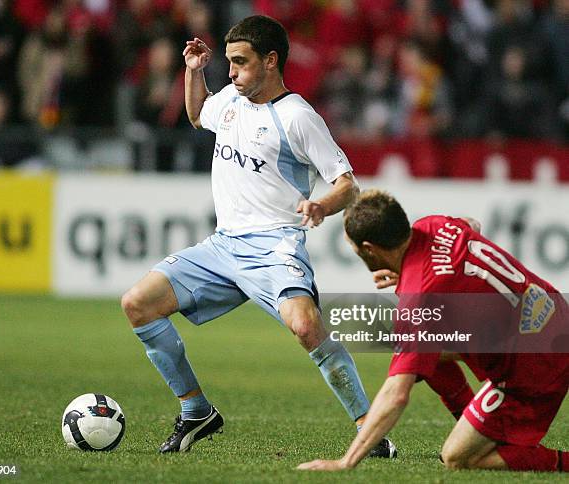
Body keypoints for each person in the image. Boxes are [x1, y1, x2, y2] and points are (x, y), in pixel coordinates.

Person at [121, 15, 396, 456]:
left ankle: (371, 431)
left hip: (274, 247)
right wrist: (193, 71)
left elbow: (348, 184)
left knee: (307, 327)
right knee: (138, 304)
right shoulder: (230, 98)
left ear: (270, 61)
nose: (230, 72)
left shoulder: (298, 117)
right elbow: (195, 115)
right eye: (228, 62)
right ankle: (196, 411)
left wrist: (321, 205)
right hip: (223, 245)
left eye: (240, 62)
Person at [298, 189, 568, 472]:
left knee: (457, 457)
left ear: (369, 249)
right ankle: (470, 416)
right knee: (419, 348)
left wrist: (346, 461)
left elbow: (396, 394)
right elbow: (472, 223)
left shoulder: (419, 300)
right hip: (554, 314)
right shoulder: (434, 224)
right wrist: (413, 273)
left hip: (533, 366)